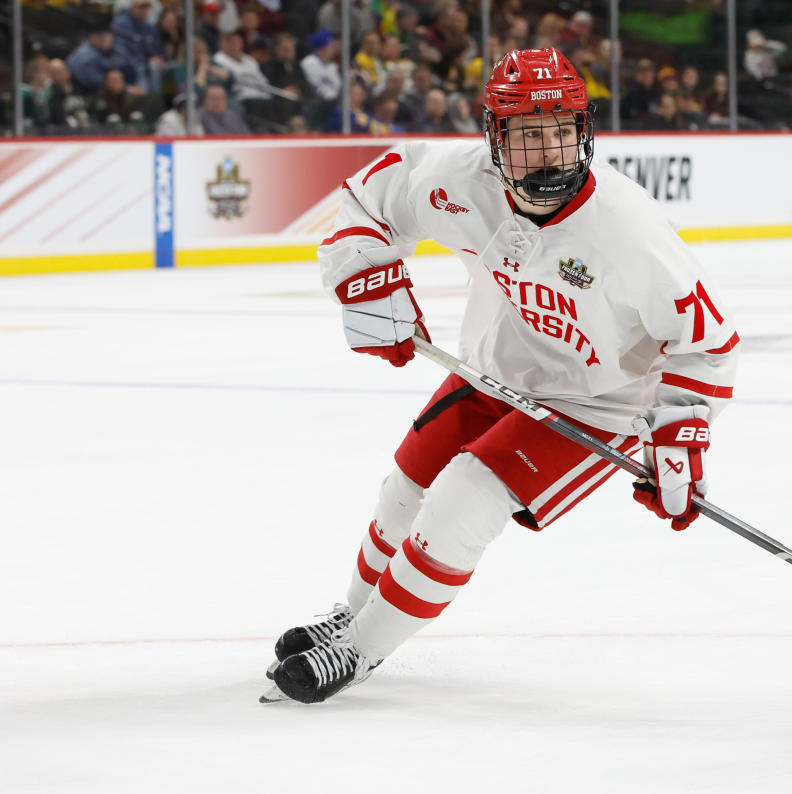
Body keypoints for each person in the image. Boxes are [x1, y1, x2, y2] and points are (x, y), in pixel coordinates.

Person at [263, 47, 740, 704]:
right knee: (403, 488)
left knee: (463, 496)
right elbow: (368, 200)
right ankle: (353, 611)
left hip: (597, 402)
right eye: (527, 135)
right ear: (493, 138)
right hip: (498, 369)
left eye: (560, 132)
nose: (547, 151)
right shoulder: (457, 180)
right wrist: (366, 279)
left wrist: (681, 434)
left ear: (584, 132)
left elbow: (707, 344)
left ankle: (361, 647)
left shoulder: (630, 232)